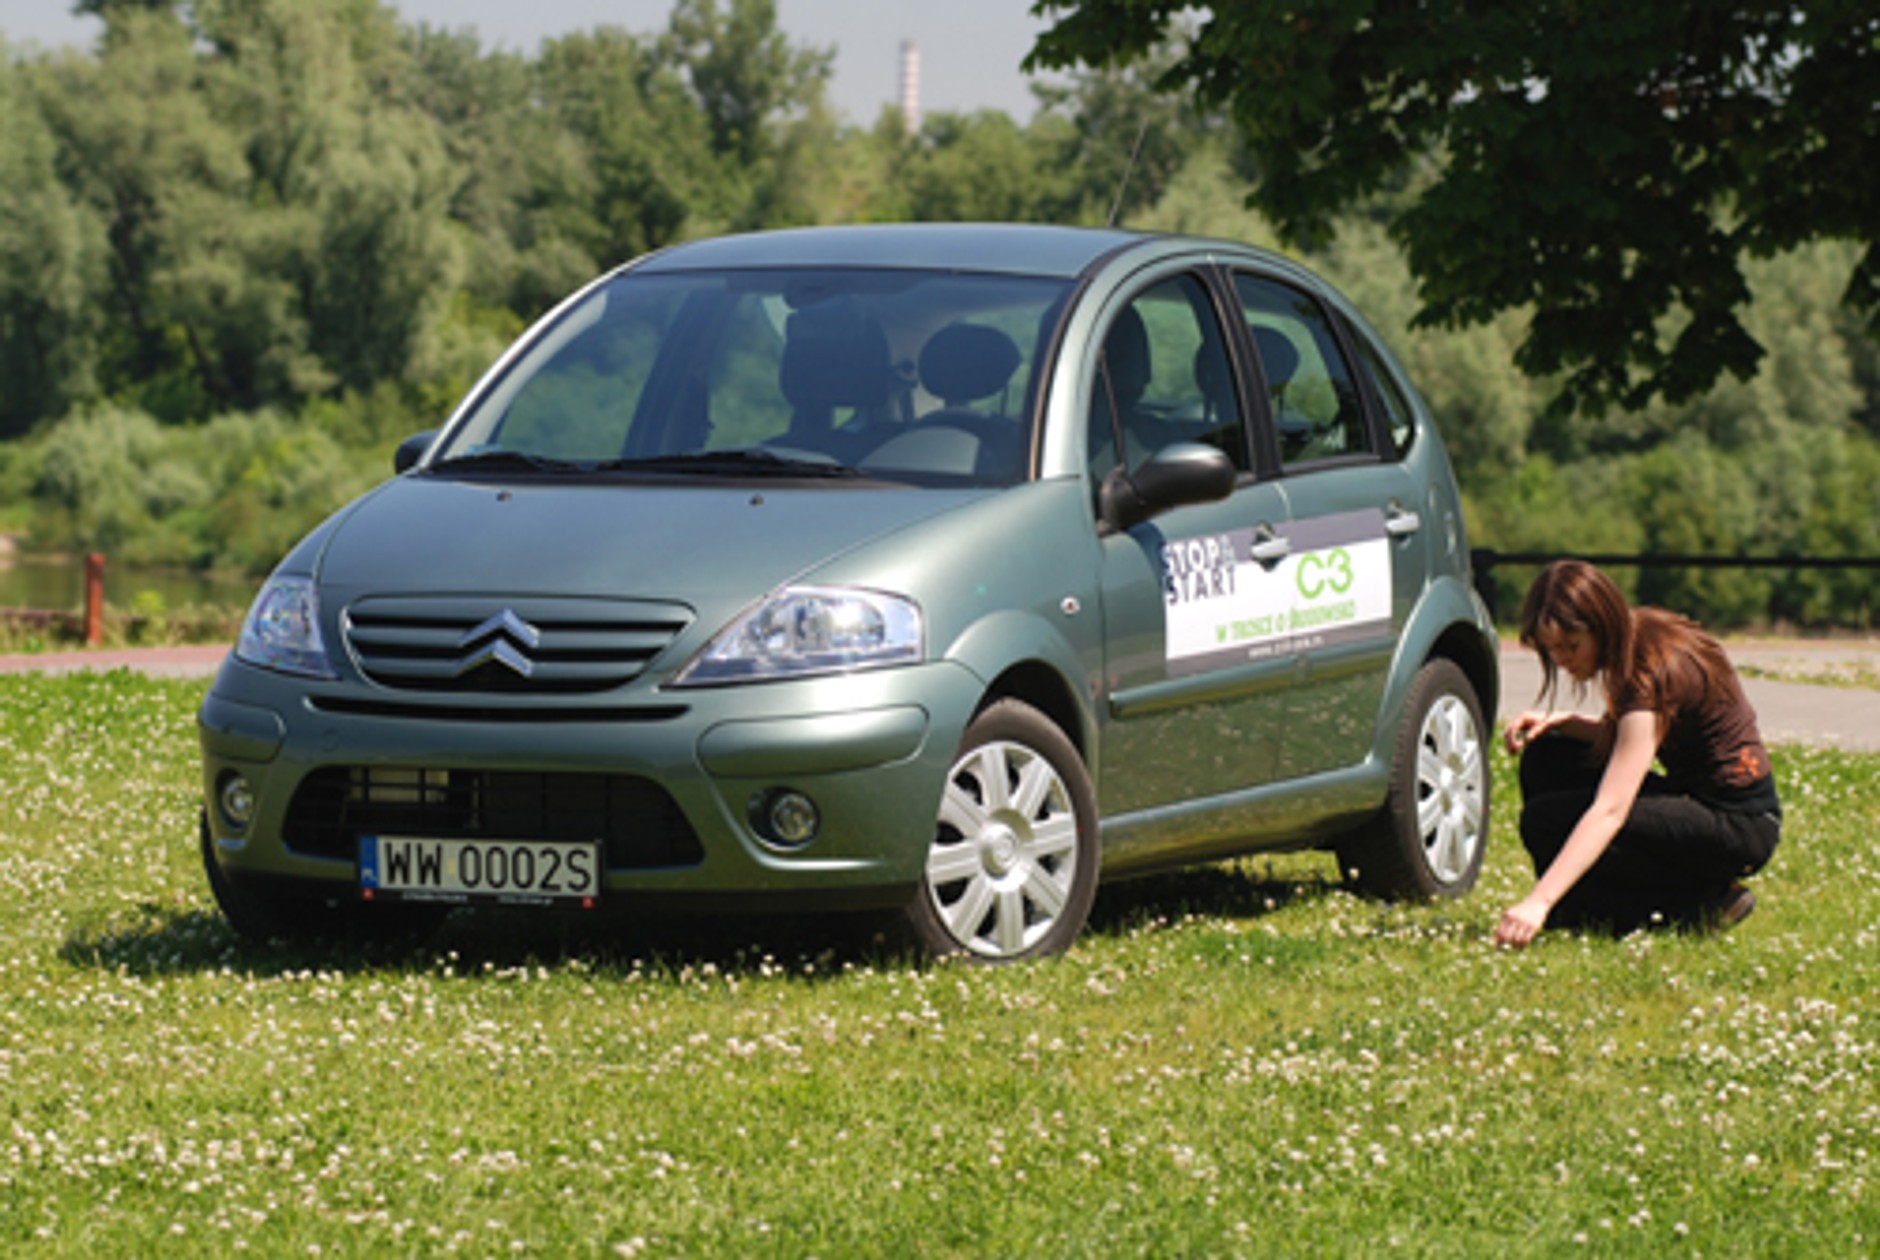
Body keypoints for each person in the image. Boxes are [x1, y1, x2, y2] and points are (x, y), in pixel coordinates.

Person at [1494, 560, 1781, 948]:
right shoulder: (1641, 632)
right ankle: (1580, 906)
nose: (1562, 659)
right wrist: (1561, 722)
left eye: (1571, 645)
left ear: (1601, 623)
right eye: (1551, 650)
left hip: (1738, 825)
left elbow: (1612, 809)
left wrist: (1537, 900)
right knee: (1548, 757)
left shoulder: (1650, 673)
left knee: (1545, 820)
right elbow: (1631, 739)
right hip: (1707, 807)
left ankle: (1697, 904)